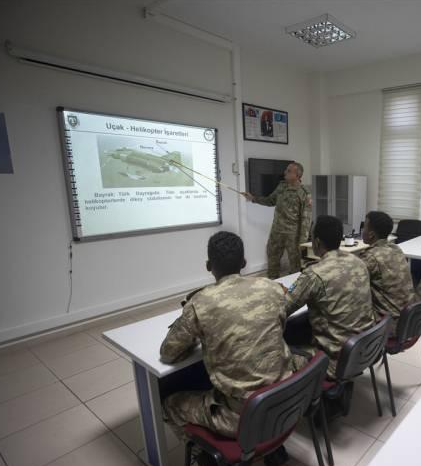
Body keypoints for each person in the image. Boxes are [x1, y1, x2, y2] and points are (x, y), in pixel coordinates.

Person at [160, 231, 300, 440]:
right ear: (244, 262)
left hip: (242, 418)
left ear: (208, 266)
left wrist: (199, 336)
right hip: (284, 399)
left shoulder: (199, 303)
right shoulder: (271, 288)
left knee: (171, 403)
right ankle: (272, 448)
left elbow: (168, 353)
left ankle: (203, 456)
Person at [284, 215, 375, 378]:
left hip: (334, 361)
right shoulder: (359, 263)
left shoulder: (314, 274)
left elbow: (282, 308)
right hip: (366, 349)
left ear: (316, 242)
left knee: (272, 355)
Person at [242, 162, 312, 279]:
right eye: (286, 170)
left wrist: (302, 241)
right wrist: (253, 198)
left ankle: (294, 289)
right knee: (272, 258)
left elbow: (306, 219)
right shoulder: (281, 186)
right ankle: (272, 284)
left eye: (289, 171)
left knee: (295, 264)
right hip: (277, 231)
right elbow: (270, 201)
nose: (285, 172)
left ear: (297, 175)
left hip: (292, 234)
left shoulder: (304, 193)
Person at [360, 211, 416, 334]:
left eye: (364, 227)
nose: (362, 230)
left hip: (390, 326)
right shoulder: (395, 249)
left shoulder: (370, 257)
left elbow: (348, 284)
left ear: (371, 235)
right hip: (409, 320)